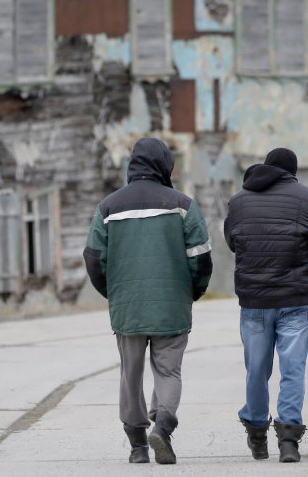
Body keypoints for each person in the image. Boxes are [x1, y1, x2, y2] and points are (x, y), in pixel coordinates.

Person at [83, 138, 213, 465]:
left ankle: (138, 446)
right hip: (172, 305)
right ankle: (164, 427)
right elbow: (202, 258)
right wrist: (191, 292)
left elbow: (94, 258)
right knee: (168, 371)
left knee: (131, 374)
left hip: (128, 308)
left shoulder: (108, 208)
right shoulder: (182, 205)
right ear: (165, 165)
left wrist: (114, 295)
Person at [223, 147, 308, 462]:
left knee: (256, 370)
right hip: (294, 300)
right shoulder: (307, 199)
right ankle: (289, 441)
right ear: (293, 170)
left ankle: (258, 435)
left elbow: (232, 241)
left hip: (254, 300)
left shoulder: (238, 201)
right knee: (293, 369)